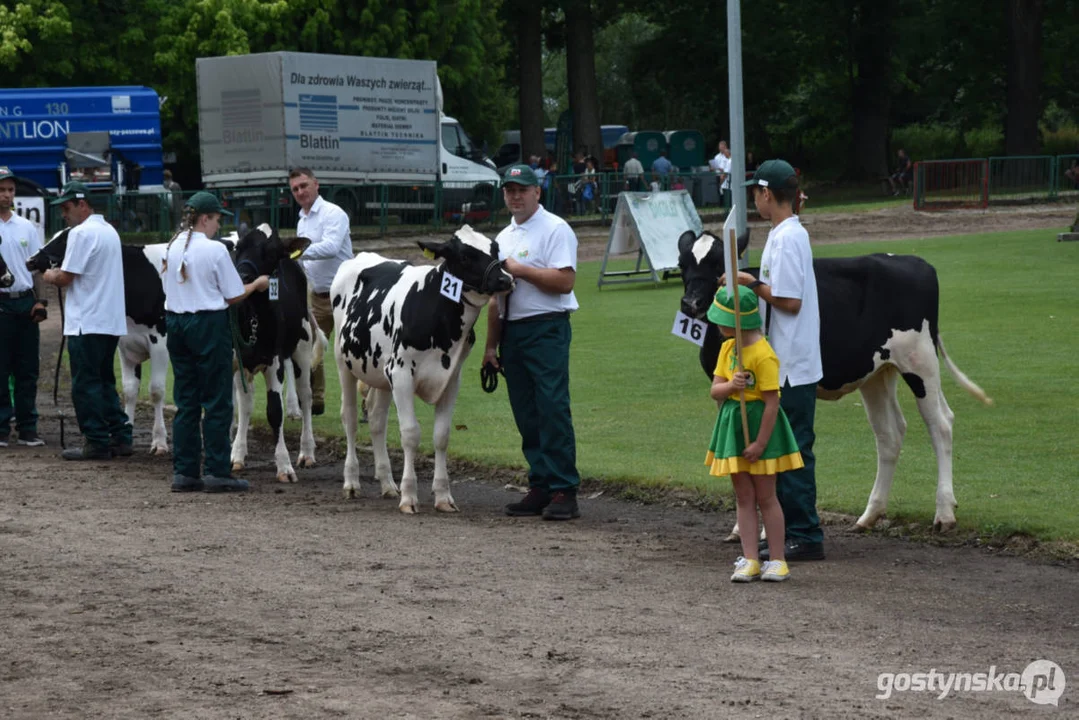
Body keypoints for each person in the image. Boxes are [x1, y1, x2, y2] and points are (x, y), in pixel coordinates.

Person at [732, 159, 824, 562]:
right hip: (788, 360)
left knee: (794, 449)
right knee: (788, 449)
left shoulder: (787, 238)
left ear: (767, 193)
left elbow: (789, 301)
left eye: (756, 192)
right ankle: (790, 531)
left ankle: (805, 533)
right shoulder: (785, 235)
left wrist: (752, 284)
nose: (755, 199)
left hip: (791, 364)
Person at [484, 164, 581, 521]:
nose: (515, 196)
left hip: (547, 327)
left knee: (552, 407)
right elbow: (496, 298)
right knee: (526, 411)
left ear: (537, 192)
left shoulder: (555, 228)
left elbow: (565, 281)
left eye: (522, 189)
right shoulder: (503, 237)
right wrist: (491, 347)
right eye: (509, 190)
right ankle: (541, 482)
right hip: (513, 328)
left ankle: (563, 488)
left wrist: (520, 269)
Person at [162, 192, 269, 492]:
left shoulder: (172, 247)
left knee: (186, 400)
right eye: (217, 219)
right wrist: (258, 284)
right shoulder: (215, 250)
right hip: (207, 323)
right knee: (217, 399)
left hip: (176, 322)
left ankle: (184, 472)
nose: (218, 226)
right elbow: (234, 295)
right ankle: (217, 469)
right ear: (205, 218)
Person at [704, 284, 803, 582]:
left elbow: (773, 402)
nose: (716, 325)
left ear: (737, 321)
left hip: (761, 427)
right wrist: (732, 386)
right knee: (743, 495)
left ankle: (777, 559)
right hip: (733, 426)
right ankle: (749, 559)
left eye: (721, 319)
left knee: (766, 496)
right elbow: (715, 390)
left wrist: (761, 442)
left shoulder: (764, 355)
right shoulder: (727, 349)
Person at [42, 181, 133, 461]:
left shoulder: (81, 234)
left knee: (86, 383)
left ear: (82, 204)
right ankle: (120, 435)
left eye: (67, 208)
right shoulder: (109, 231)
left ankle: (95, 440)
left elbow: (66, 277)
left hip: (87, 320)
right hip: (109, 320)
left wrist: (47, 273)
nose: (64, 214)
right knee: (104, 379)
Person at [289, 167, 353, 416]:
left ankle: (366, 401)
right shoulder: (302, 219)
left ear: (316, 184)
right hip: (317, 295)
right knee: (311, 348)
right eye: (295, 189)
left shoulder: (333, 213)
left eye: (304, 185)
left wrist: (297, 251)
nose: (300, 192)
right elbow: (304, 260)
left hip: (347, 294)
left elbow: (331, 247)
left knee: (353, 351)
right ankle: (316, 400)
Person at [0, 167, 48, 448]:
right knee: (0, 369)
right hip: (1, 304)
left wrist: (41, 301)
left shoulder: (26, 227)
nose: (7, 195)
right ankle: (2, 427)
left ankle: (28, 426)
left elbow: (38, 268)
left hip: (25, 301)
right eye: (2, 190)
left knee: (28, 369)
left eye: (10, 190)